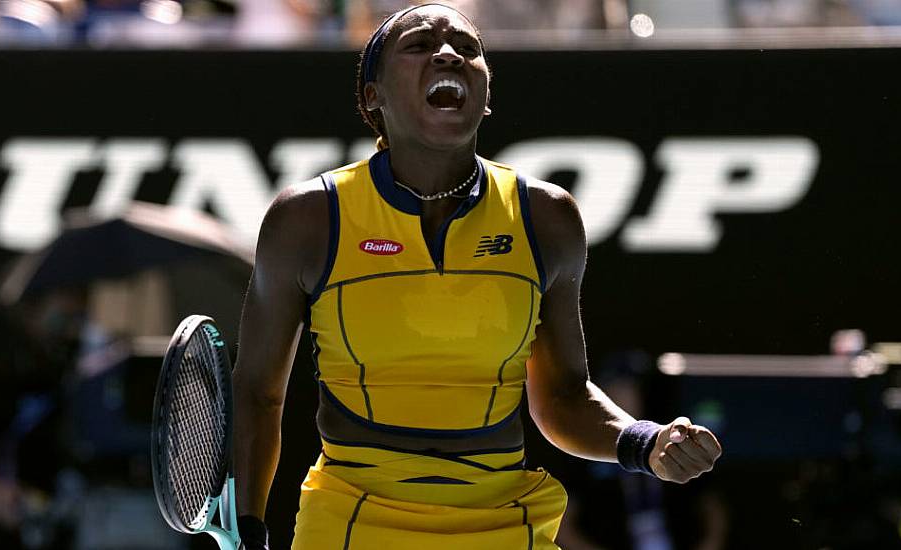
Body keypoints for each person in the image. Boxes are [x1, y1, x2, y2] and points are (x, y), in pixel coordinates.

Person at [232, 4, 722, 549]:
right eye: (419, 46)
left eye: (467, 49)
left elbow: (561, 396)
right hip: (352, 518)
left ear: (486, 95)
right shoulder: (306, 219)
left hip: (503, 521)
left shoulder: (548, 217)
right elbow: (257, 393)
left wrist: (644, 442)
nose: (448, 54)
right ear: (373, 96)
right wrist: (249, 527)